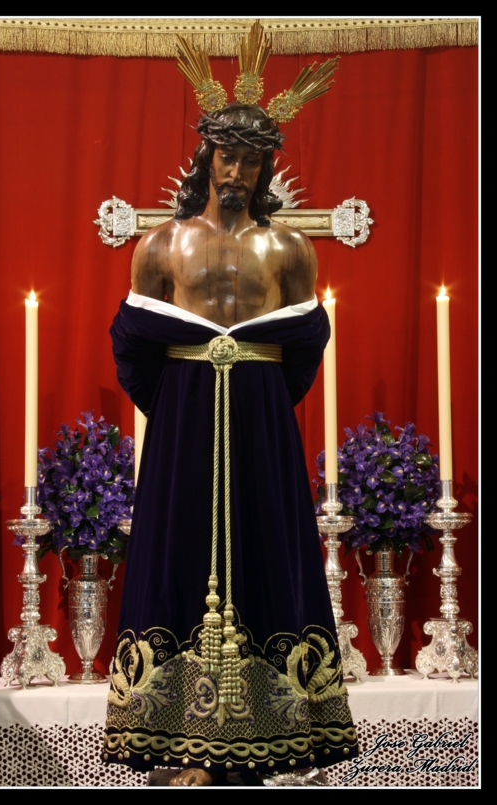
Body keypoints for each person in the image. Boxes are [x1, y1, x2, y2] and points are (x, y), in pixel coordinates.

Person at [103, 66, 358, 788]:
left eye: (250, 159)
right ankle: (183, 741)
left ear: (266, 166)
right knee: (178, 551)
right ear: (205, 158)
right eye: (226, 155)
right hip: (184, 422)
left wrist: (259, 403)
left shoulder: (290, 250)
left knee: (266, 545)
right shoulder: (162, 245)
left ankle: (282, 728)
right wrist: (183, 405)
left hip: (260, 420)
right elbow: (134, 343)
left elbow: (303, 344)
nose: (237, 171)